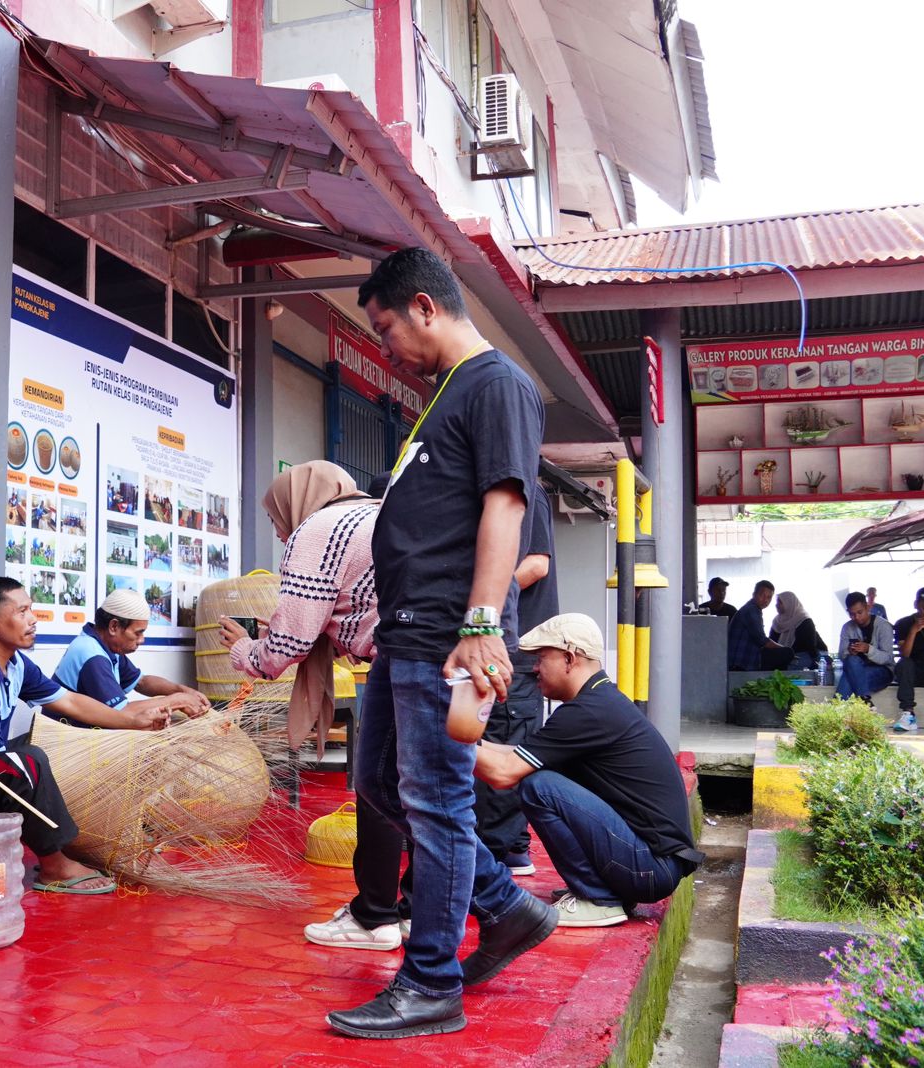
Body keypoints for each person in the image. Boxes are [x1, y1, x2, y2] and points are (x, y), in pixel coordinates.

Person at [325, 247, 557, 1041]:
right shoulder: (446, 395)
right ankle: (505, 906)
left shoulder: (496, 385)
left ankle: (430, 984)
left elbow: (504, 507)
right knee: (382, 787)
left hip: (448, 639)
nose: (385, 344)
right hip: (407, 634)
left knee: (439, 803)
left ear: (425, 306)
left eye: (385, 326)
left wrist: (482, 622)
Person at [213, 460, 408, 953]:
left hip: (402, 660)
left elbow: (288, 646)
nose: (281, 535)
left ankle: (376, 916)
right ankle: (410, 909)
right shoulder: (374, 513)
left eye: (279, 522)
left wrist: (245, 650)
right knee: (416, 791)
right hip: (438, 656)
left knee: (376, 788)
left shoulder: (317, 529)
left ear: (297, 504)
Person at [0, 576, 166, 895]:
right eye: (22, 611)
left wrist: (129, 722)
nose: (33, 619)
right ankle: (54, 866)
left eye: (31, 609)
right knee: (27, 762)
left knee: (28, 757)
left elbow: (69, 700)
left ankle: (67, 849)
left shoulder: (15, 664)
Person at [473, 614, 704, 927]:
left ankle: (599, 898)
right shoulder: (598, 700)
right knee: (538, 777)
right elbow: (518, 756)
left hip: (651, 868)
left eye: (542, 658)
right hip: (653, 865)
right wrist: (470, 741)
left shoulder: (589, 711)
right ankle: (602, 889)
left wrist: (444, 741)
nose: (535, 669)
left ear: (570, 659)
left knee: (537, 787)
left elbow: (504, 774)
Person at [476, 479, 556, 878]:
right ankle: (509, 847)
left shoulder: (528, 492)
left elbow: (537, 563)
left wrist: (483, 594)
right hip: (502, 648)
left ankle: (497, 851)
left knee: (504, 748)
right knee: (500, 745)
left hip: (514, 650)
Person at [53, 589, 209, 722]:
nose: (142, 640)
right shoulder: (92, 655)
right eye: (138, 633)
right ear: (114, 626)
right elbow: (123, 712)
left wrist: (181, 690)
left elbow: (141, 682)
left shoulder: (105, 646)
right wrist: (178, 701)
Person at [836, 591, 895, 704]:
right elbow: (842, 655)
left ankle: (836, 710)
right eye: (852, 614)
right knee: (851, 660)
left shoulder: (883, 626)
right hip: (856, 668)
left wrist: (868, 649)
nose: (856, 617)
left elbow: (888, 658)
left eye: (860, 612)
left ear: (867, 607)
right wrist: (849, 651)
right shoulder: (847, 627)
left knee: (849, 679)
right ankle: (865, 700)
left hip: (883, 671)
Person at [727, 580, 794, 671]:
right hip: (740, 663)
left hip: (743, 661)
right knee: (787, 653)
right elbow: (762, 640)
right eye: (762, 595)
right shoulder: (751, 610)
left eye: (769, 597)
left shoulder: (753, 609)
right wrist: (783, 648)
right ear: (754, 594)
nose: (765, 600)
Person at [888, 587, 924, 733]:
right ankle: (908, 714)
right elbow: (905, 654)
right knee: (905, 664)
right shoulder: (904, 623)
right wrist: (913, 630)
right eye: (923, 606)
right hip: (913, 672)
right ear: (916, 604)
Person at [768, 591, 826, 671]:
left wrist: (818, 662)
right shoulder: (777, 622)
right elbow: (771, 641)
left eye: (780, 602)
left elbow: (811, 646)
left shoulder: (803, 619)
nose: (776, 605)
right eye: (777, 602)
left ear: (789, 603)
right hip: (789, 655)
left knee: (789, 666)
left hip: (809, 653)